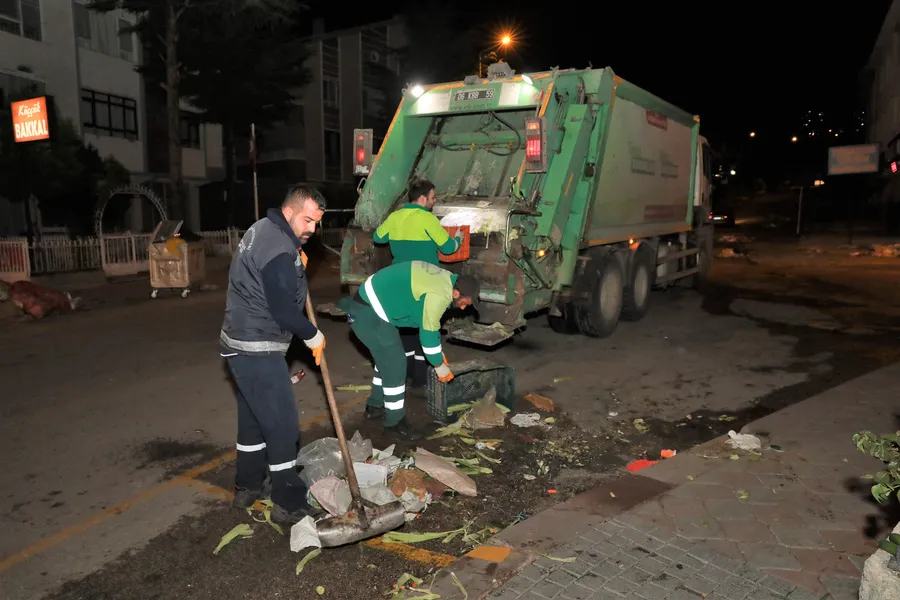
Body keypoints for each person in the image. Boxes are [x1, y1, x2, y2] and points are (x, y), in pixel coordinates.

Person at [219, 185, 327, 525]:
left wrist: (294, 263)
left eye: (317, 222)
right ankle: (288, 502)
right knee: (282, 426)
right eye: (307, 220)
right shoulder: (280, 248)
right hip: (258, 346)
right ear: (290, 211)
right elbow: (283, 310)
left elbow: (266, 275)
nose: (312, 229)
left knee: (253, 421)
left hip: (238, 341)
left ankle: (248, 486)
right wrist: (312, 335)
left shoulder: (262, 228)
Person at [338, 260, 480, 441]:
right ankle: (394, 423)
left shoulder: (444, 279)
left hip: (370, 304)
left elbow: (426, 322)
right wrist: (439, 365)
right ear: (456, 293)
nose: (463, 307)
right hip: (370, 311)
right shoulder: (440, 296)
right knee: (396, 364)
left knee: (386, 358)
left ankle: (375, 406)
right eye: (464, 303)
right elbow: (428, 335)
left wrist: (438, 354)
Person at [372, 178, 462, 397]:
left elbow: (378, 237)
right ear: (422, 199)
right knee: (426, 326)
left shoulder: (395, 217)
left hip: (400, 283)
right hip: (424, 284)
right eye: (432, 197)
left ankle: (405, 376)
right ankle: (421, 380)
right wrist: (458, 238)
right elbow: (448, 248)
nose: (434, 201)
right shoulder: (428, 219)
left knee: (404, 328)